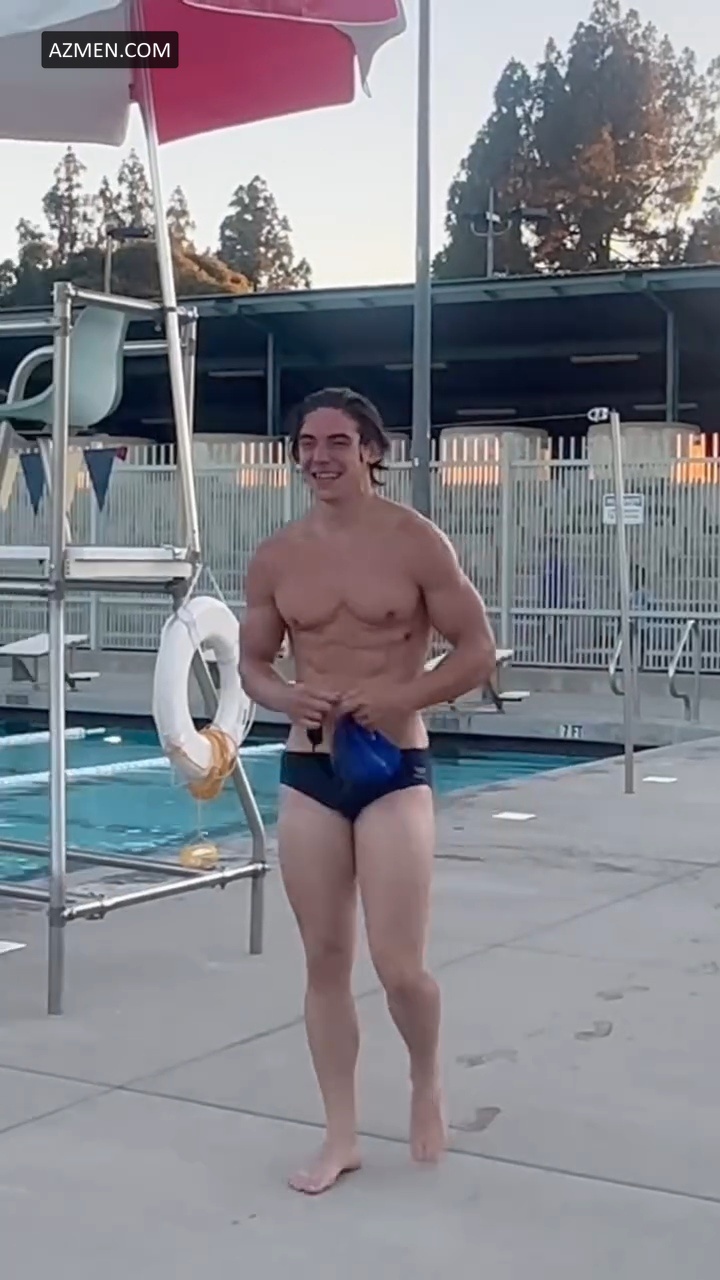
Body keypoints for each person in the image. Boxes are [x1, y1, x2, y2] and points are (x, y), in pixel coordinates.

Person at [239, 387, 496, 1194]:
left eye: (337, 443)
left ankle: (425, 1077)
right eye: (306, 444)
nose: (319, 457)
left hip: (393, 768)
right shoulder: (277, 557)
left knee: (398, 965)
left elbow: (477, 650)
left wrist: (401, 697)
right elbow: (253, 665)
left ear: (372, 451)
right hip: (311, 769)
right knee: (324, 959)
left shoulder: (414, 542)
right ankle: (340, 1135)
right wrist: (287, 697)